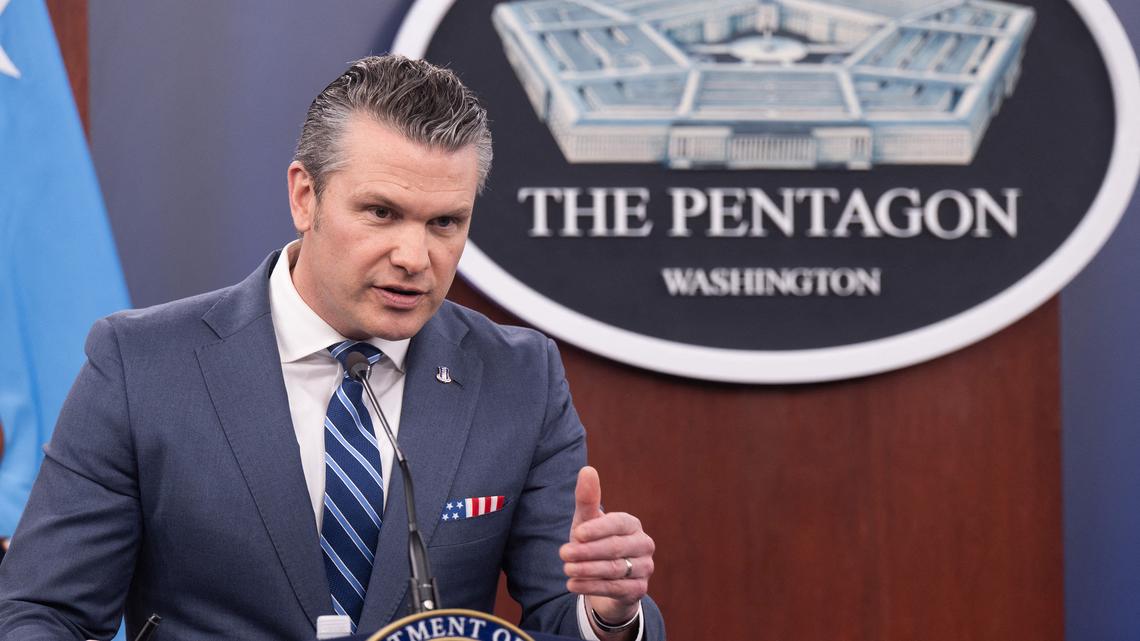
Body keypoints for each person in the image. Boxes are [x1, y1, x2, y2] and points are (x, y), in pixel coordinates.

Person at [0, 55, 662, 641]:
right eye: (381, 212)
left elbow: (561, 614)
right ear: (304, 196)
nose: (414, 256)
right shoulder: (140, 365)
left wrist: (607, 616)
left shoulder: (519, 375)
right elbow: (40, 613)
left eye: (444, 223)